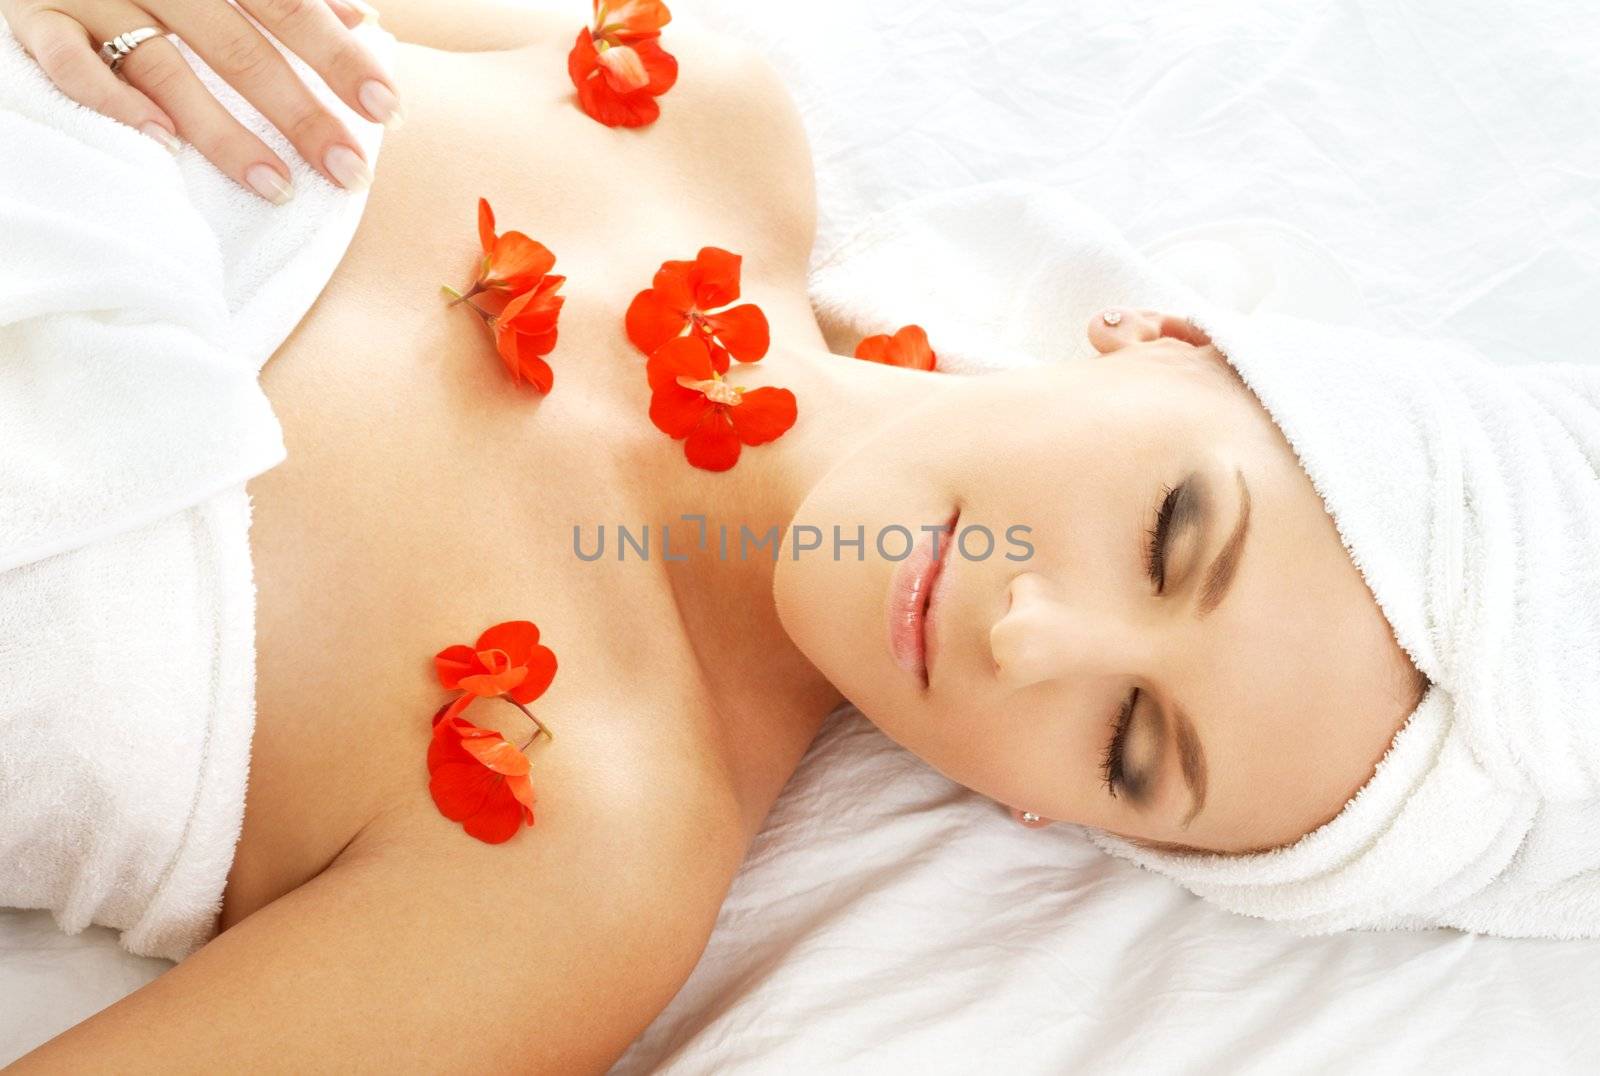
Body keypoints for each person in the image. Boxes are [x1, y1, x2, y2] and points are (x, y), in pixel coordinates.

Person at [0, 0, 1516, 1069]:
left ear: (1077, 823)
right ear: (1159, 341)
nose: (1032, 632)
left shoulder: (577, 884)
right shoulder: (689, 107)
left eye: (1130, 746)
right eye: (1174, 533)